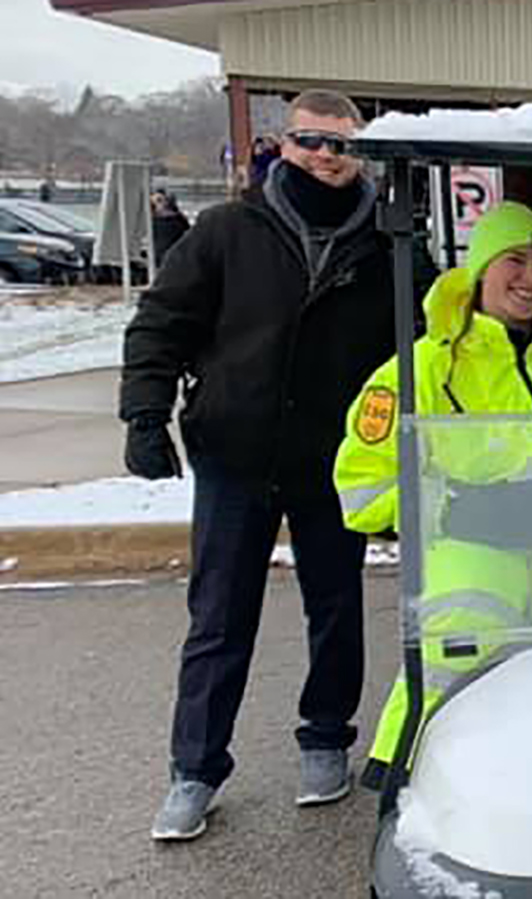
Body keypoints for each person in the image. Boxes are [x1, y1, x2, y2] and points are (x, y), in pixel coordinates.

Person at [119, 90, 421, 842]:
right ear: (284, 145)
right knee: (219, 614)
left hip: (332, 456)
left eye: (340, 144)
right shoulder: (229, 230)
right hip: (237, 451)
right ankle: (194, 767)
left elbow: (420, 341)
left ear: (361, 154)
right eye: (311, 140)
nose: (326, 155)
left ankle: (325, 737)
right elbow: (162, 322)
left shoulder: (388, 244)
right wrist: (146, 414)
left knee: (336, 605)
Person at [334, 201, 532, 788]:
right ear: (480, 269)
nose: (530, 279)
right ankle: (410, 769)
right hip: (476, 536)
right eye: (514, 261)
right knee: (463, 625)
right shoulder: (425, 366)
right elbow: (364, 485)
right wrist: (450, 509)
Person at [150, 189, 190, 273]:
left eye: (159, 200)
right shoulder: (180, 220)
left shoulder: (154, 221)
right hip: (173, 259)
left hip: (164, 259)